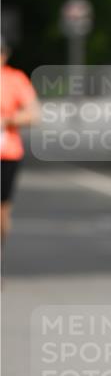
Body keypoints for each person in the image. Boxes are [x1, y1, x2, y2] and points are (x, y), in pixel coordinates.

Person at [1, 37, 40, 247]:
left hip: (6, 154)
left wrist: (7, 120)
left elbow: (34, 114)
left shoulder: (15, 79)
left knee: (2, 211)